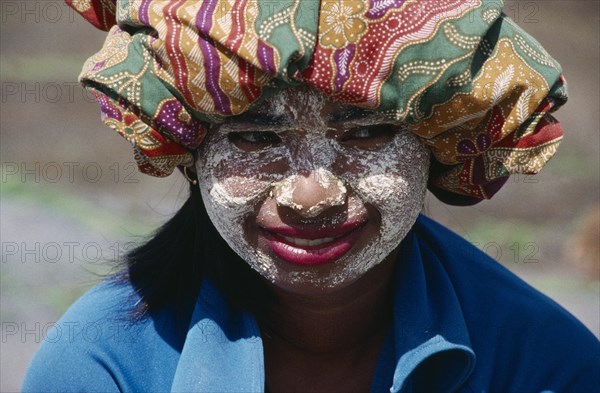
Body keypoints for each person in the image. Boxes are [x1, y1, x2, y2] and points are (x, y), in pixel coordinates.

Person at [23, 1, 599, 392]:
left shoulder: (546, 364)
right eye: (255, 137)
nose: (312, 196)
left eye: (368, 132)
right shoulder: (100, 366)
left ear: (438, 140)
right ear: (188, 150)